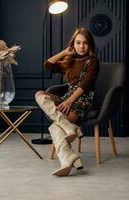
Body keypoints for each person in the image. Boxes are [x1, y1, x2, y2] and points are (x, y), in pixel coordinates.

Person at [34, 27, 100, 176]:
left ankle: (67, 159)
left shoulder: (93, 61)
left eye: (85, 43)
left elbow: (85, 84)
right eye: (78, 43)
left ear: (90, 45)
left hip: (82, 99)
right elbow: (48, 65)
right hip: (66, 97)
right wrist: (64, 53)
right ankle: (68, 127)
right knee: (40, 94)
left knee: (54, 127)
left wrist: (70, 101)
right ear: (73, 44)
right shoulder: (70, 60)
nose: (81, 46)